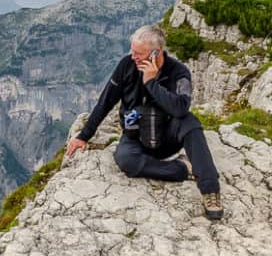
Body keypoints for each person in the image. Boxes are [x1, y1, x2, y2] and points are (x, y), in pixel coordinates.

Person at [66, 25, 223, 221]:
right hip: (136, 137)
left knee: (191, 123)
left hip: (167, 136)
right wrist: (83, 136)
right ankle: (183, 169)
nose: (133, 57)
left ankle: (210, 189)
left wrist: (151, 82)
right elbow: (106, 101)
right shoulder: (126, 66)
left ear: (156, 53)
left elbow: (181, 108)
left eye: (139, 54)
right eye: (132, 51)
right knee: (126, 160)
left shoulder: (179, 72)